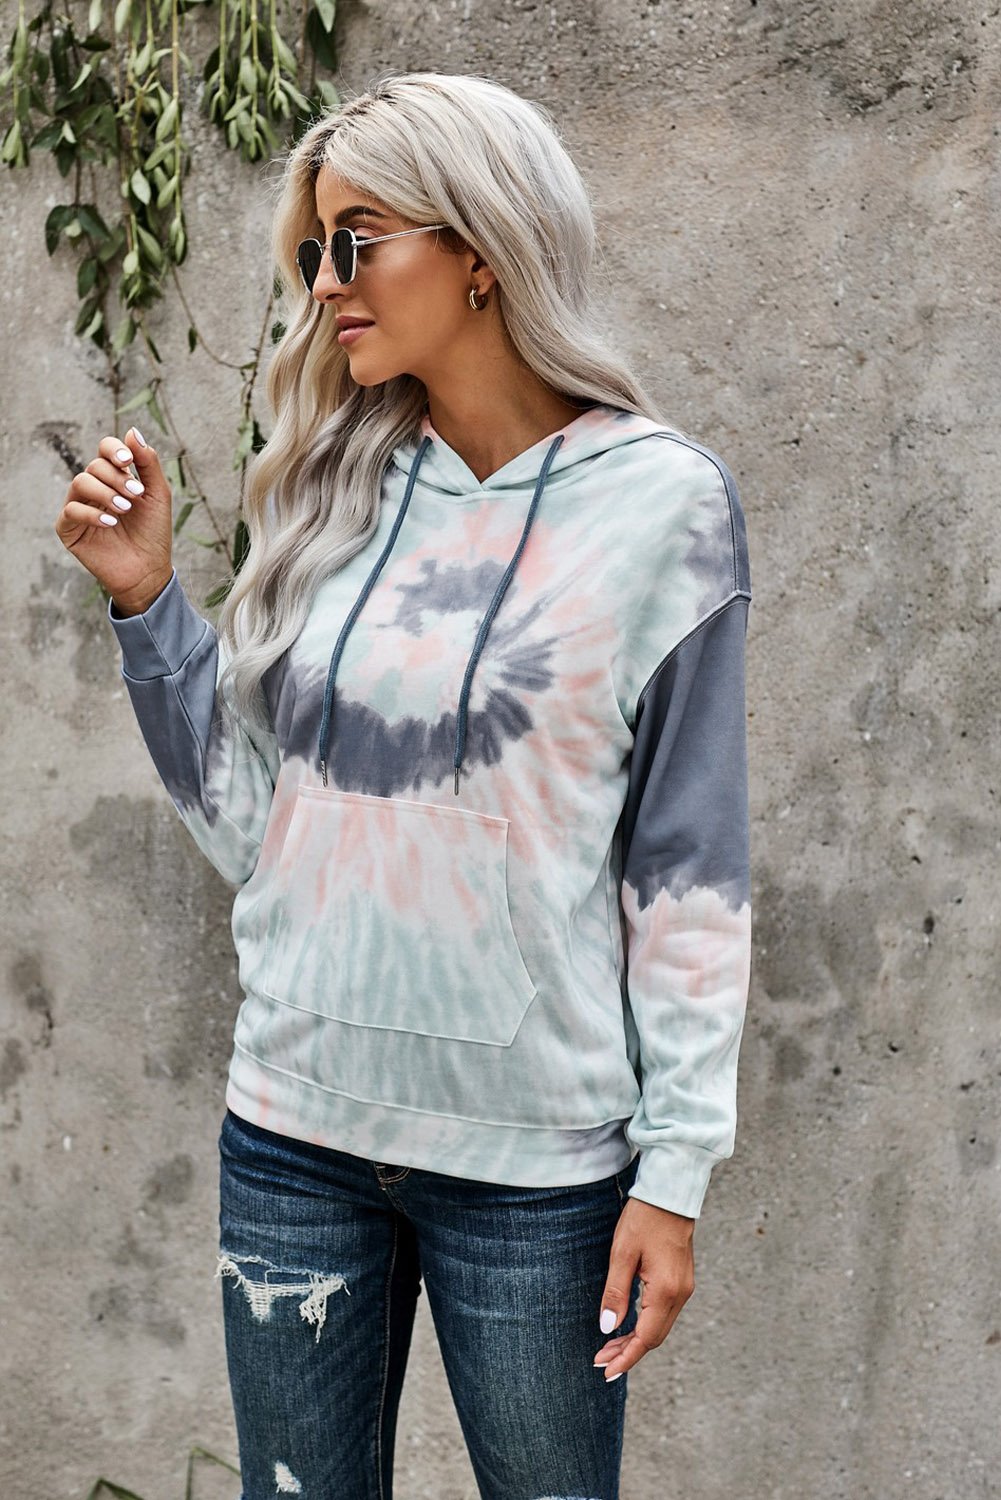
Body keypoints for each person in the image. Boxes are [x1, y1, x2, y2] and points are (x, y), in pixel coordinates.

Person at [55, 71, 752, 1500]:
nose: (324, 284)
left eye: (357, 241)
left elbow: (687, 866)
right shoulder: (335, 483)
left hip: (533, 1167)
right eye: (315, 250)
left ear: (480, 248)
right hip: (294, 1136)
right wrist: (147, 607)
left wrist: (674, 1172)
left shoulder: (664, 506)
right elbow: (258, 834)